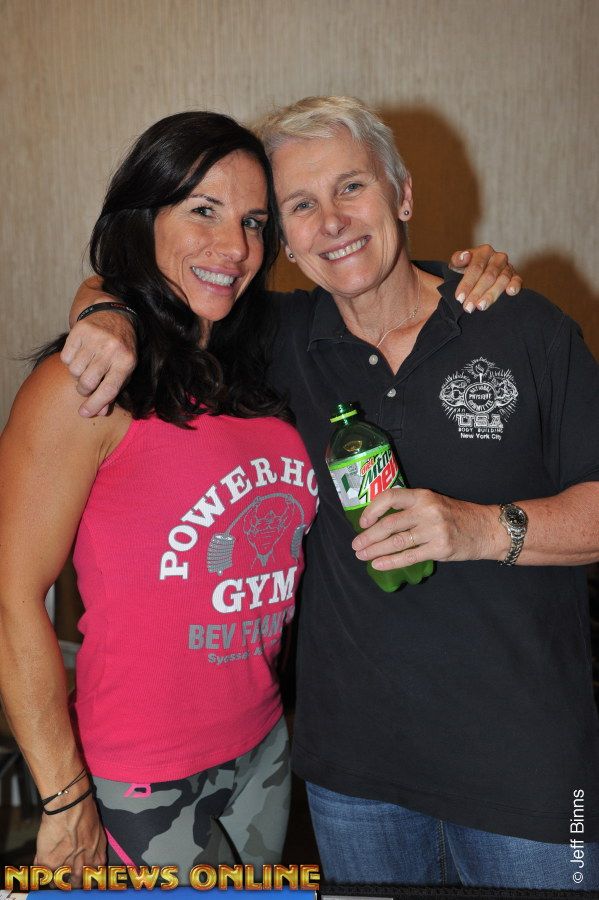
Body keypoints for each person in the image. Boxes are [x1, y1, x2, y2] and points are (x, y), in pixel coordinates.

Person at [63, 97, 599, 892]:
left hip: (527, 775)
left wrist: (480, 530)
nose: (332, 222)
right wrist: (103, 309)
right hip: (353, 782)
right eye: (300, 206)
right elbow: (152, 287)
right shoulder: (271, 339)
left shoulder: (521, 327)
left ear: (401, 195)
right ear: (282, 239)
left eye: (351, 187)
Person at [0, 111, 319, 884]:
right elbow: (11, 599)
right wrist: (64, 796)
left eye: (253, 222)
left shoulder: (262, 366)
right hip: (138, 778)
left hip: (263, 747)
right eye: (203, 210)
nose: (234, 246)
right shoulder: (85, 385)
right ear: (143, 218)